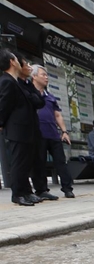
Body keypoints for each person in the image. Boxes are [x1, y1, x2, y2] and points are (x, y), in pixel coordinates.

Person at [0, 49, 45, 206]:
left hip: (25, 129)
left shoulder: (14, 82)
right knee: (19, 162)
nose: (21, 63)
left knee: (25, 162)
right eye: (18, 60)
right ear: (12, 62)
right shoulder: (6, 81)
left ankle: (26, 191)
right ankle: (18, 194)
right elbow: (3, 106)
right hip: (17, 129)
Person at [31, 64, 74, 198]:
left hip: (53, 134)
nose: (46, 77)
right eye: (43, 75)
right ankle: (41, 190)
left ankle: (67, 188)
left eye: (47, 75)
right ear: (34, 76)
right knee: (39, 163)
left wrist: (64, 132)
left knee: (61, 162)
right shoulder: (29, 94)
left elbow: (57, 115)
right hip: (38, 134)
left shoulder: (50, 96)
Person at [17, 56, 56, 201]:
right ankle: (23, 192)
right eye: (26, 64)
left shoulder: (28, 84)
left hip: (35, 127)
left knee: (39, 159)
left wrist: (33, 98)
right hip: (21, 128)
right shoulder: (15, 83)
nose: (28, 66)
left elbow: (39, 102)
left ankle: (41, 189)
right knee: (24, 161)